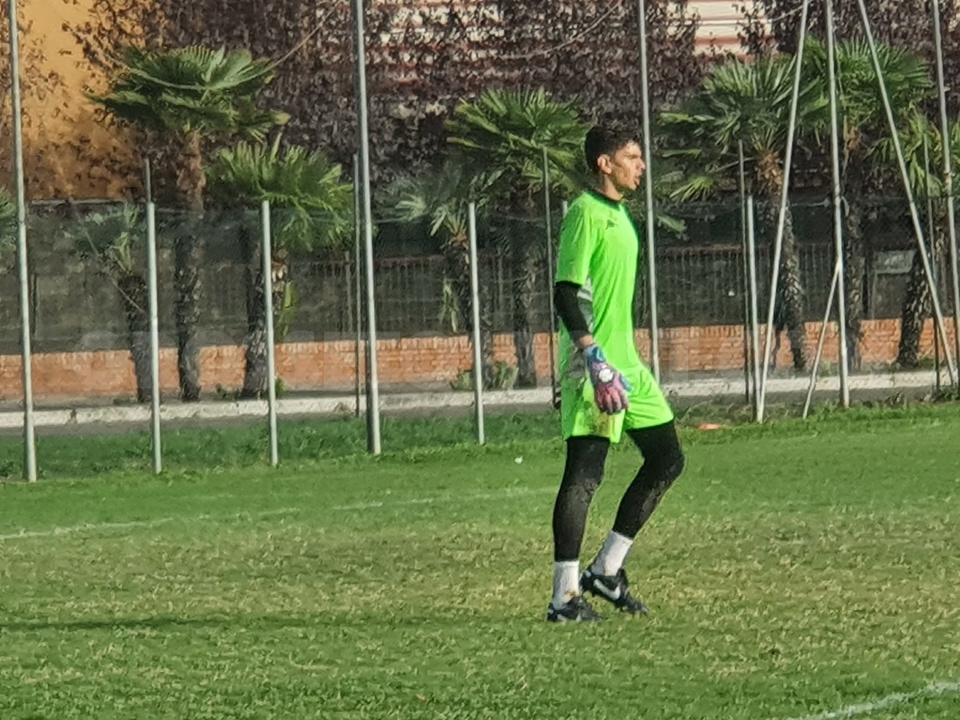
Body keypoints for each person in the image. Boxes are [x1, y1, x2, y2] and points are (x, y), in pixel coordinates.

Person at [547, 125, 686, 623]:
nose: (641, 165)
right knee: (585, 475)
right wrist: (592, 357)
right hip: (596, 367)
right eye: (631, 157)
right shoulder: (585, 213)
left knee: (667, 459)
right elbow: (565, 293)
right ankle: (564, 598)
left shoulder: (622, 215)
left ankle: (606, 571)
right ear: (605, 164)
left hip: (628, 366)